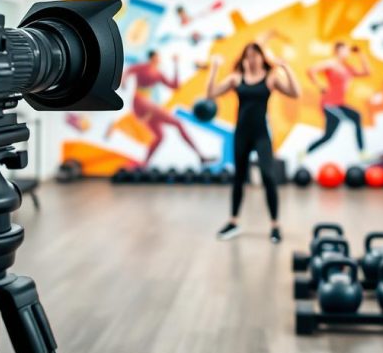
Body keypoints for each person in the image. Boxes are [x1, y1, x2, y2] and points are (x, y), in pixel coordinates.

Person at [206, 42, 299, 242]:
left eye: (256, 55)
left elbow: (295, 92)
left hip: (261, 134)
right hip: (241, 134)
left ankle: (275, 225)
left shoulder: (270, 78)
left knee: (268, 175)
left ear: (261, 57)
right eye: (248, 55)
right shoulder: (236, 78)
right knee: (239, 177)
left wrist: (286, 68)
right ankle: (233, 222)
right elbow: (211, 94)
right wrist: (214, 69)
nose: (252, 58)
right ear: (244, 58)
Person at [122, 50, 211, 165]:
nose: (160, 58)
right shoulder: (144, 67)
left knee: (160, 136)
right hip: (140, 102)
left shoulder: (159, 74)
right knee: (177, 123)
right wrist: (123, 82)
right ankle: (200, 156)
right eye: (158, 56)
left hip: (147, 105)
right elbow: (129, 71)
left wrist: (176, 65)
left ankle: (144, 164)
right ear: (153, 57)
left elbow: (175, 86)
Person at [304, 42, 369, 159]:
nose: (348, 52)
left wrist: (360, 54)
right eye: (345, 50)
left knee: (328, 136)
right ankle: (362, 153)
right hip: (330, 104)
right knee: (356, 116)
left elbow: (366, 72)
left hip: (339, 104)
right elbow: (311, 70)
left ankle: (304, 153)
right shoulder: (331, 64)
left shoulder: (348, 68)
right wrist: (319, 85)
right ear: (338, 51)